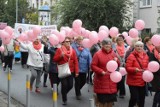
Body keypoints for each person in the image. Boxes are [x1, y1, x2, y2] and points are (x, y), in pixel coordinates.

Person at [91, 39, 120, 107]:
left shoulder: (113, 54)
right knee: (102, 103)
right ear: (102, 45)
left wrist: (117, 61)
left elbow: (117, 65)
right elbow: (93, 65)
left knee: (110, 103)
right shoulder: (97, 54)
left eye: (109, 44)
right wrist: (101, 71)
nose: (107, 45)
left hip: (112, 82)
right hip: (101, 82)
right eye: (105, 44)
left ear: (111, 45)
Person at [54, 37, 79, 105]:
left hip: (71, 71)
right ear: (63, 43)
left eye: (69, 41)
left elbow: (76, 61)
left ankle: (63, 94)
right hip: (62, 70)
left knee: (70, 85)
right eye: (66, 41)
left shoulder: (72, 51)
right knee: (64, 85)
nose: (68, 42)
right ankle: (64, 99)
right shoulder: (59, 50)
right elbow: (55, 59)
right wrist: (60, 56)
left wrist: (77, 71)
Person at [125, 41, 149, 107]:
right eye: (137, 46)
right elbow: (127, 68)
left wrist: (147, 70)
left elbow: (147, 66)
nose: (139, 47)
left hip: (142, 80)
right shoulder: (131, 56)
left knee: (142, 99)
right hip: (133, 81)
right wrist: (134, 69)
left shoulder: (145, 55)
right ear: (135, 47)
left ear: (143, 47)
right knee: (134, 98)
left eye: (141, 46)